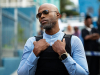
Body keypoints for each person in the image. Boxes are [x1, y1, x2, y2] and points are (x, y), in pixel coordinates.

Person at [17, 3, 89, 75]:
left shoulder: (74, 41)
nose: (42, 16)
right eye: (39, 15)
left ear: (58, 15)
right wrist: (35, 52)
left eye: (46, 12)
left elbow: (84, 74)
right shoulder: (32, 42)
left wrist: (64, 55)